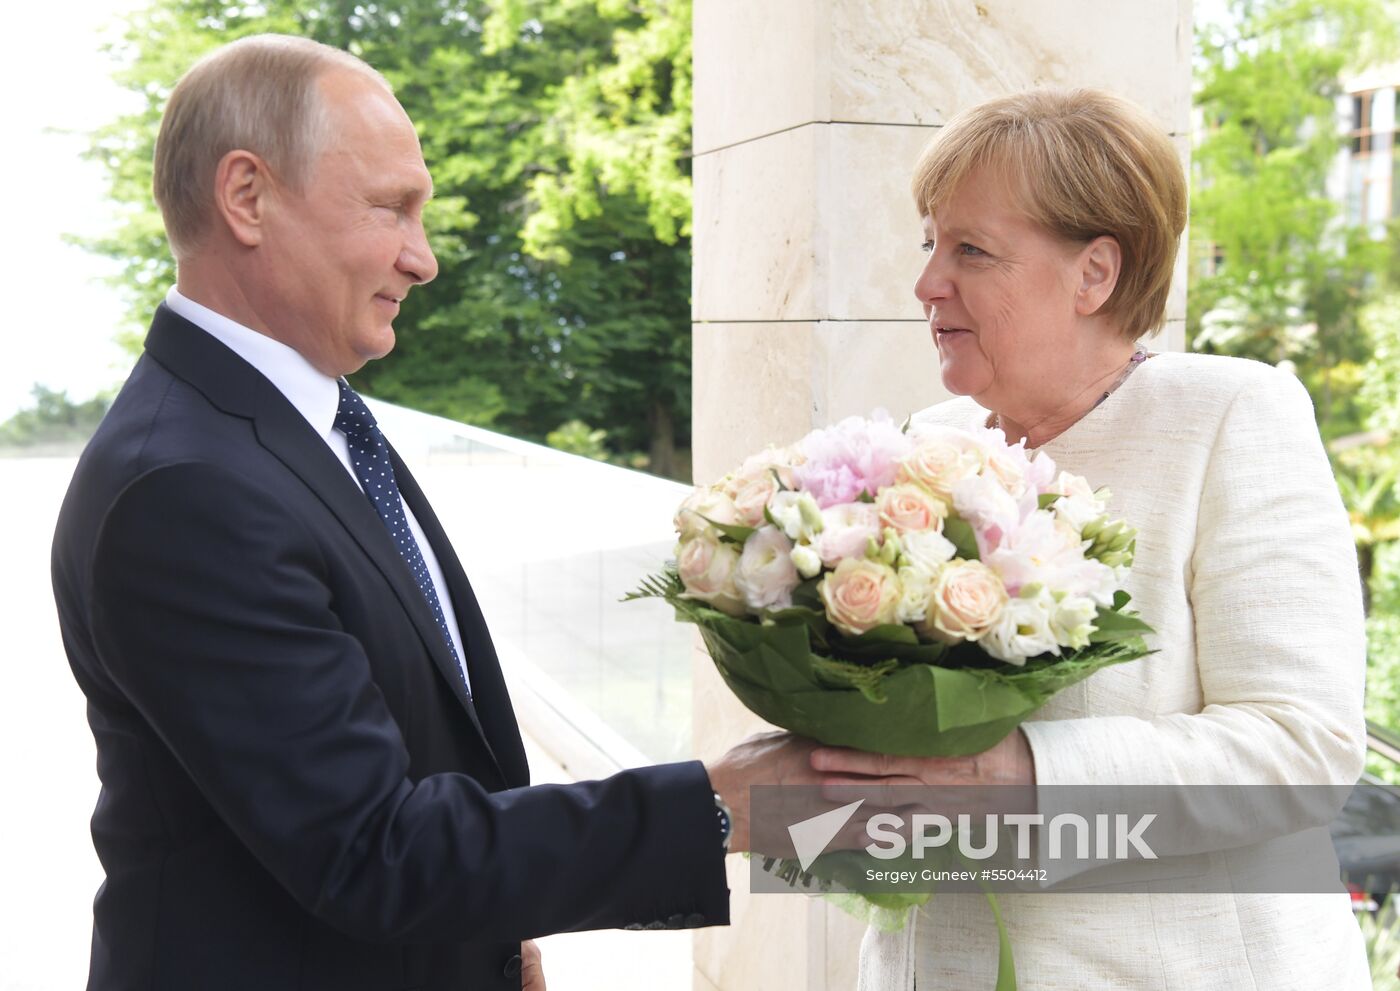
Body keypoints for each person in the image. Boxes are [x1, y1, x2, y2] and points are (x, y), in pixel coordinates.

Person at [49, 34, 819, 991]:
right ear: (246, 197)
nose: (425, 259)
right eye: (390, 208)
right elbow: (373, 850)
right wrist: (727, 803)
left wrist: (496, 940)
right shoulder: (183, 487)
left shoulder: (307, 419)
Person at [810, 88, 1370, 988]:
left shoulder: (1230, 415)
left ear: (1094, 275)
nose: (926, 284)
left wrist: (1020, 773)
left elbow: (1301, 747)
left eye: (971, 251)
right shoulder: (924, 445)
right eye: (930, 243)